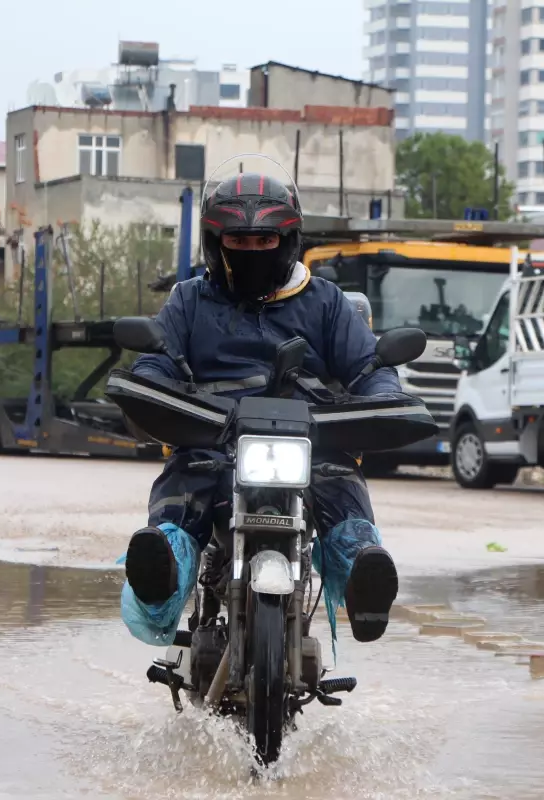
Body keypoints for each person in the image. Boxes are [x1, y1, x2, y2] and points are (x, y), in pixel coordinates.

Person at [120, 168, 415, 648]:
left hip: (311, 444)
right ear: (217, 244)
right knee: (183, 491)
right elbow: (156, 362)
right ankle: (164, 573)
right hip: (213, 442)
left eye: (265, 240)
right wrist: (154, 389)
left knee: (339, 487)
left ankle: (364, 572)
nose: (254, 251)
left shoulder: (326, 302)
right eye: (241, 242)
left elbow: (369, 364)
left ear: (288, 240)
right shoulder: (189, 301)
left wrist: (383, 392)